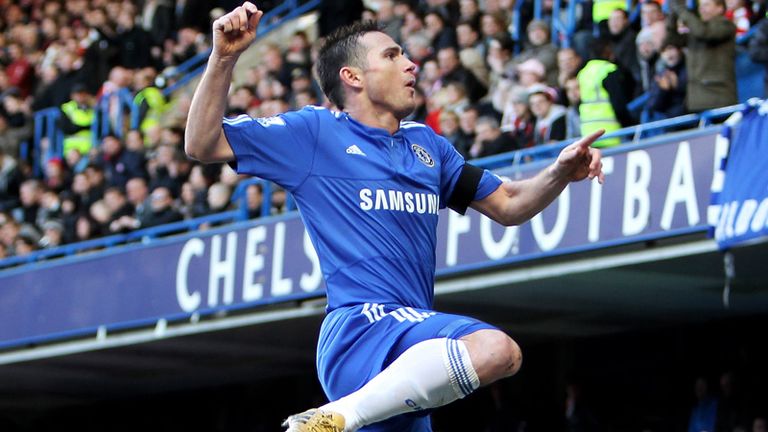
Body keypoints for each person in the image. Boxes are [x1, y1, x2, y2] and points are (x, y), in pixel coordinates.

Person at [184, 4, 605, 431]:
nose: (410, 64)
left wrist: (559, 173)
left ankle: (332, 420)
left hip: (409, 360)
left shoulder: (428, 146)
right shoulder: (313, 134)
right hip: (360, 329)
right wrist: (223, 57)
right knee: (496, 350)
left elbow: (510, 204)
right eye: (391, 55)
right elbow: (202, 144)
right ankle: (332, 418)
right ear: (352, 77)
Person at [667, 0, 737, 113]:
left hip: (718, 98)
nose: (702, 9)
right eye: (700, 6)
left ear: (720, 8)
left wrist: (681, 10)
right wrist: (674, 14)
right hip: (696, 100)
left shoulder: (726, 25)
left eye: (707, 5)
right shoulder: (697, 30)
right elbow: (673, 40)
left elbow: (704, 32)